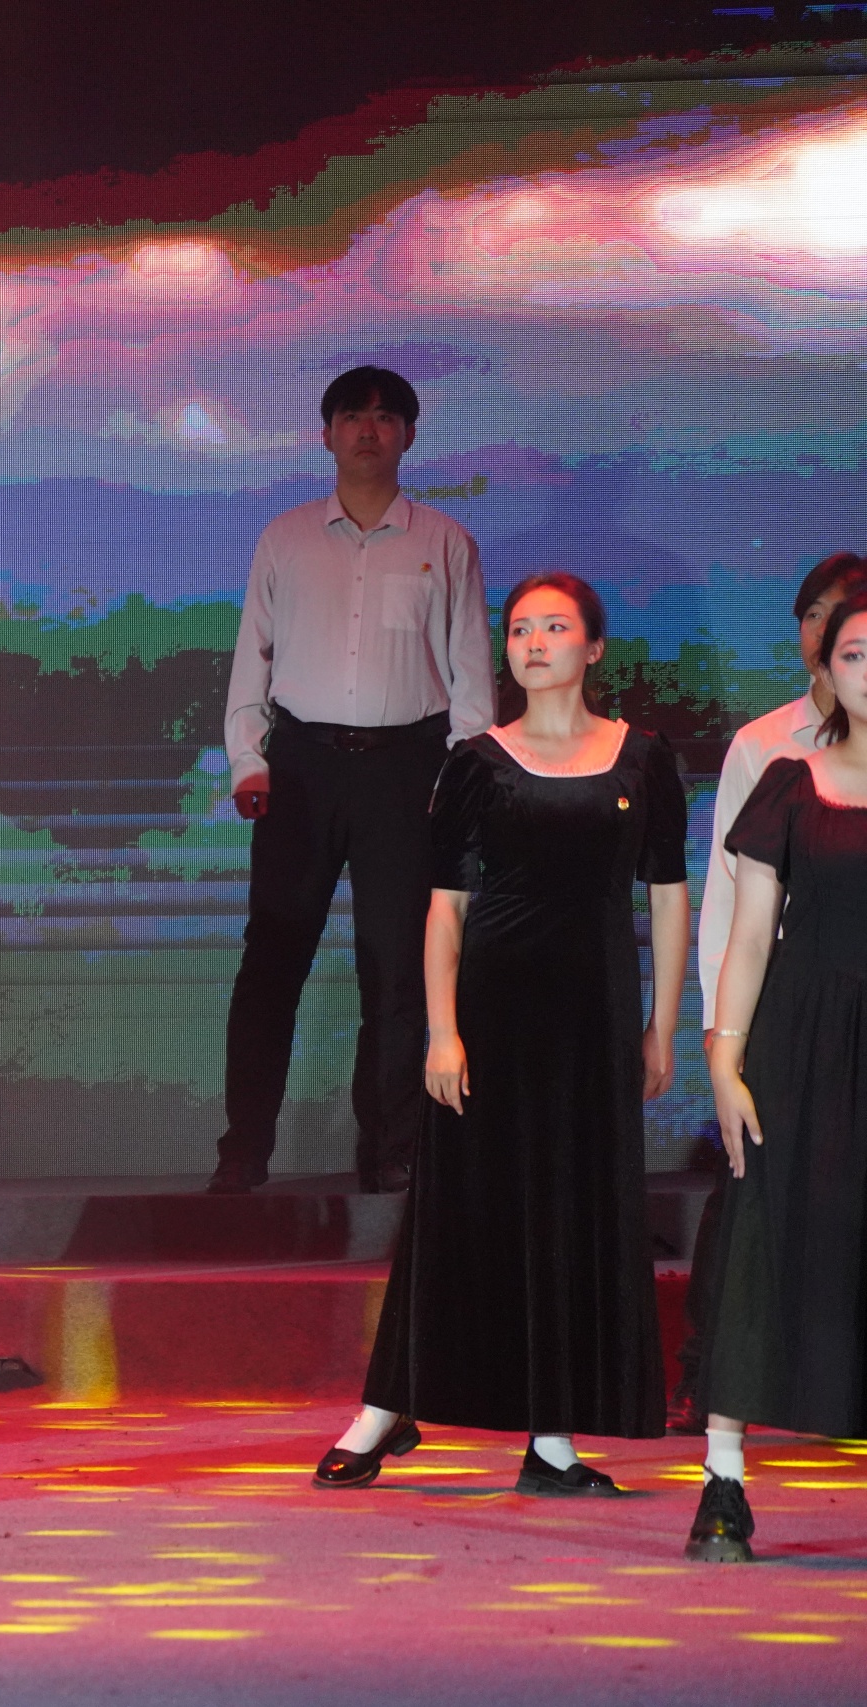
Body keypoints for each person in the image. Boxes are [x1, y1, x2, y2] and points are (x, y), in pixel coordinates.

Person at [314, 573, 686, 1495]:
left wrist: (663, 1025)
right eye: (520, 629)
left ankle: (552, 1443)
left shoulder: (643, 759)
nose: (535, 643)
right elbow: (444, 909)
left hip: (595, 1015)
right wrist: (442, 1032)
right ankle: (387, 1405)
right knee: (458, 1208)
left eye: (555, 627)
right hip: (492, 1011)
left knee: (574, 1211)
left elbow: (669, 898)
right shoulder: (476, 763)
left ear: (593, 647)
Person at [211, 368, 494, 1194]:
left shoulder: (445, 541)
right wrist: (249, 760)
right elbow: (252, 660)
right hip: (302, 768)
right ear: (327, 433)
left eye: (384, 417)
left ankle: (393, 1149)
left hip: (408, 769)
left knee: (398, 968)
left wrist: (462, 783)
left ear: (409, 434)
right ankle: (242, 1150)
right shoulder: (285, 538)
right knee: (272, 960)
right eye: (352, 416)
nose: (369, 430)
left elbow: (471, 676)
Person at [668, 552, 867, 1433]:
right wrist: (724, 1052)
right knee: (767, 1221)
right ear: (824, 664)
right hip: (806, 1023)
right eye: (853, 653)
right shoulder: (786, 772)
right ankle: (725, 1457)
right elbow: (746, 930)